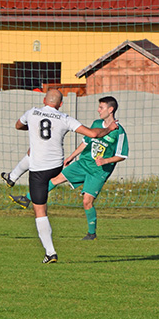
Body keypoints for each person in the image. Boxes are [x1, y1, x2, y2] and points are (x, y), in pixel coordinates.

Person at [10, 89, 118, 263]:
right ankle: (17, 186)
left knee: (40, 211)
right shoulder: (65, 118)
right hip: (57, 166)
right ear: (61, 104)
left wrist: (32, 126)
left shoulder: (31, 113)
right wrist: (109, 129)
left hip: (40, 169)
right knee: (53, 178)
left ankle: (50, 252)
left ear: (44, 100)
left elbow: (18, 125)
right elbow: (93, 134)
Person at [45, 96, 127, 240]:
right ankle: (26, 199)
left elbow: (122, 155)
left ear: (110, 109)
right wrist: (71, 156)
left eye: (101, 107)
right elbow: (85, 142)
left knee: (87, 201)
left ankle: (91, 233)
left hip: (98, 171)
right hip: (83, 163)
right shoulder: (96, 123)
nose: (98, 110)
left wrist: (106, 160)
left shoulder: (119, 132)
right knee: (56, 179)